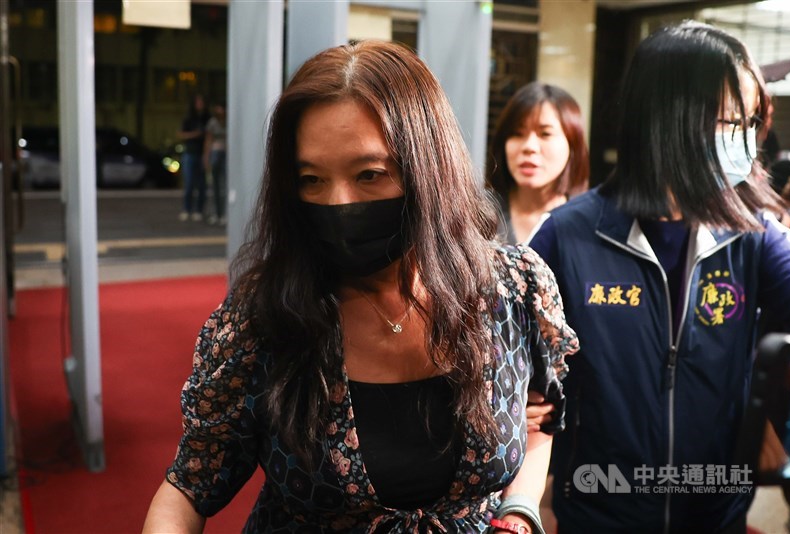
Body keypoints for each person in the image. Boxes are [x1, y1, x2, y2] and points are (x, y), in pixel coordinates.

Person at [143, 40, 579, 533]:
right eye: (311, 180)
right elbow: (188, 487)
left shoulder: (514, 290)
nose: (339, 203)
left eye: (369, 174)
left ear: (428, 169)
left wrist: (519, 509)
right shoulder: (263, 317)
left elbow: (537, 423)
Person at [528, 21, 790, 533]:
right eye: (726, 121)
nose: (741, 140)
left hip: (715, 512)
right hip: (598, 509)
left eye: (747, 122)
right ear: (666, 121)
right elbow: (508, 366)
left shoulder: (753, 234)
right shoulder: (569, 236)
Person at [487, 82, 588, 245]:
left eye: (545, 133)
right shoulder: (476, 216)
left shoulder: (588, 224)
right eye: (517, 134)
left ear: (573, 143)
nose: (529, 147)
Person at [178, 93, 210, 222]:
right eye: (198, 102)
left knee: (202, 184)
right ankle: (187, 209)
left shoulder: (207, 118)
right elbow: (180, 134)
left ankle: (199, 210)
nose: (200, 105)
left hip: (202, 153)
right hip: (190, 153)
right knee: (189, 183)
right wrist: (194, 134)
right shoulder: (189, 118)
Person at [204, 102, 227, 225]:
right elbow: (208, 140)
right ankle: (215, 213)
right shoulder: (213, 122)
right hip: (215, 152)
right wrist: (206, 156)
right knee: (214, 184)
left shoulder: (228, 121)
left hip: (225, 153)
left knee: (223, 184)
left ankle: (223, 213)